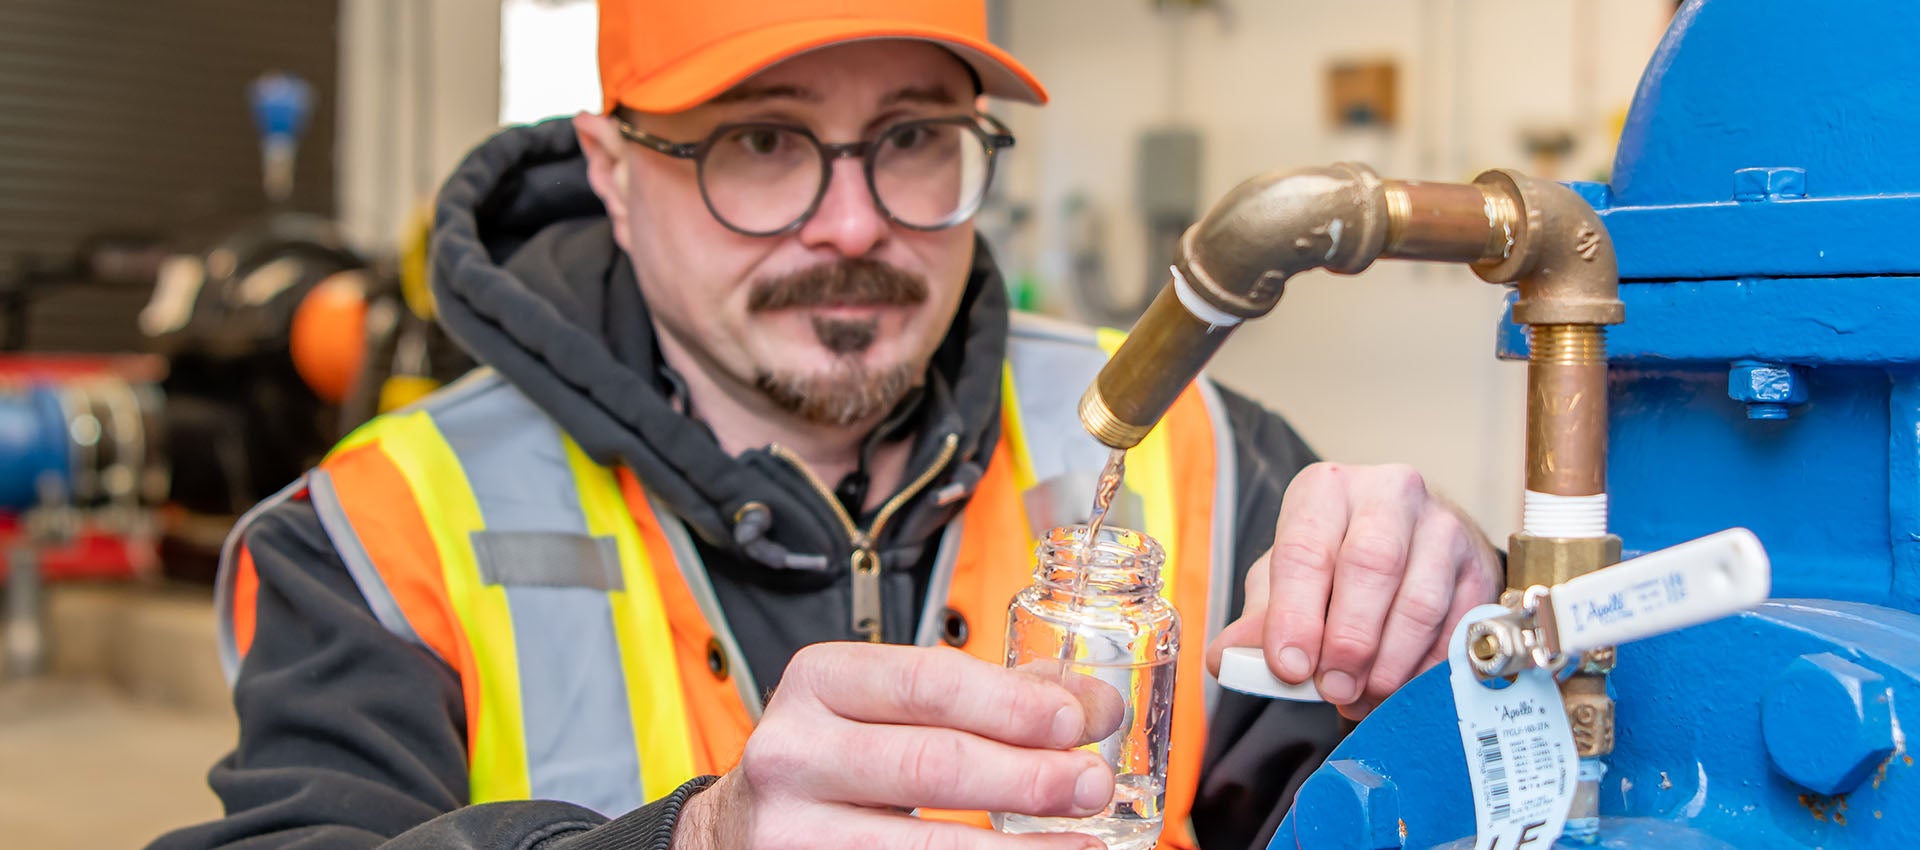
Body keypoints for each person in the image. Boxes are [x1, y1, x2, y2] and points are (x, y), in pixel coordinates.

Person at [152, 2, 1501, 849]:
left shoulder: (1191, 446)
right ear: (615, 171)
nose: (853, 224)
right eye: (760, 142)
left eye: (914, 137)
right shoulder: (386, 529)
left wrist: (1448, 655)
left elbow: (1380, 805)